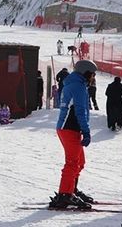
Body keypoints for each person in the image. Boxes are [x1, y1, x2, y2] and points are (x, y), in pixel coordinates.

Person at [49, 60, 97, 209]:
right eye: (92, 74)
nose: (93, 77)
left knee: (80, 161)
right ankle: (65, 194)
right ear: (86, 73)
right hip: (70, 128)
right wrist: (86, 130)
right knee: (72, 162)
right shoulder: (78, 87)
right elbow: (80, 110)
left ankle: (71, 189)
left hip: (68, 127)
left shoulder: (74, 83)